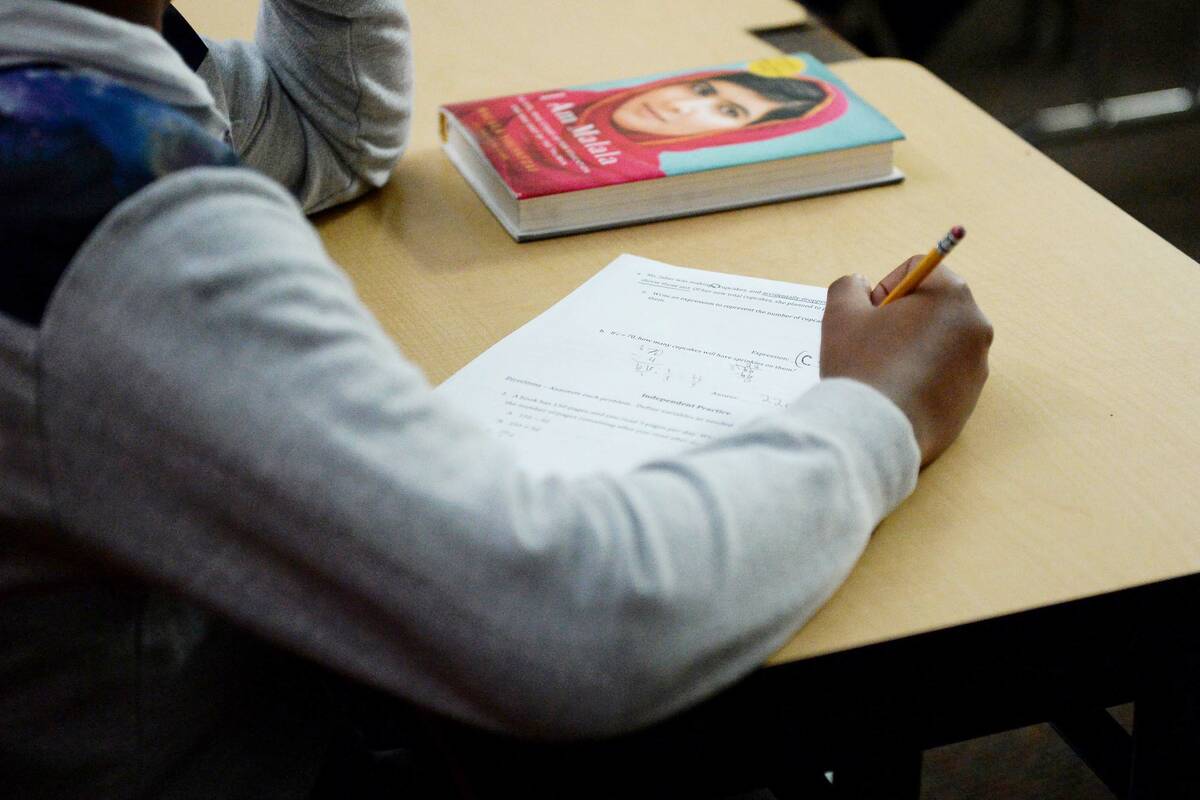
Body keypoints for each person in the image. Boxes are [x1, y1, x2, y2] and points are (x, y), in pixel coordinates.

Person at [0, 0, 992, 797]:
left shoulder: (67, 70)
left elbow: (323, 127)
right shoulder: (101, 207)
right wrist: (878, 408)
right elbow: (582, 620)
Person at [443, 66, 847, 195]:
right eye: (702, 88)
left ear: (737, 135)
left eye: (726, 110)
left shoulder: (620, 179)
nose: (681, 104)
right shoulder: (564, 98)